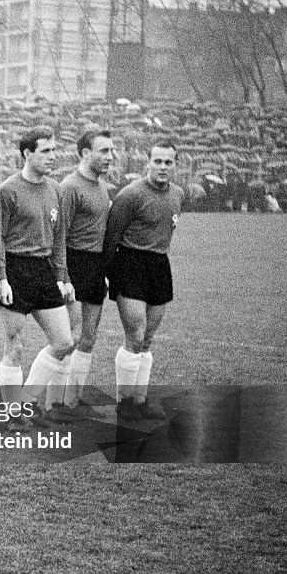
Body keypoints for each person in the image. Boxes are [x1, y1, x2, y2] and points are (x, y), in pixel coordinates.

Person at [0, 126, 75, 429]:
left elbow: (59, 238)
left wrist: (62, 276)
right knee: (14, 345)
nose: (53, 157)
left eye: (54, 151)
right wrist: (1, 276)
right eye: (46, 151)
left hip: (43, 270)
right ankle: (15, 415)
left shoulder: (56, 189)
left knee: (64, 341)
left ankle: (24, 403)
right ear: (28, 154)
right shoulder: (8, 190)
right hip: (14, 269)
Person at [103, 139, 185, 420]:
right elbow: (111, 238)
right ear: (147, 163)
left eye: (168, 162)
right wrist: (111, 275)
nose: (162, 167)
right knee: (134, 336)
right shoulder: (130, 195)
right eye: (157, 161)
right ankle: (124, 404)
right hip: (130, 263)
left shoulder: (178, 194)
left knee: (147, 339)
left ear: (176, 164)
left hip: (159, 265)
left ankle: (139, 401)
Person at [59, 128, 114, 408]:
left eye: (111, 151)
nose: (110, 157)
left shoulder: (103, 185)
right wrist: (64, 277)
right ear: (84, 153)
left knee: (88, 338)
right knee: (71, 337)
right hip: (73, 263)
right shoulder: (70, 186)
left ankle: (72, 399)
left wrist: (103, 271)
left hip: (94, 267)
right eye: (104, 151)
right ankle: (54, 401)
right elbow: (59, 236)